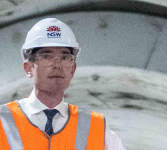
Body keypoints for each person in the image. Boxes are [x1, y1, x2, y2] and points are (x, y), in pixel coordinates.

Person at [0, 18, 126, 150]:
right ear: (28, 68)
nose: (57, 65)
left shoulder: (97, 128)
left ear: (73, 69)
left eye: (65, 57)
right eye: (46, 56)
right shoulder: (2, 121)